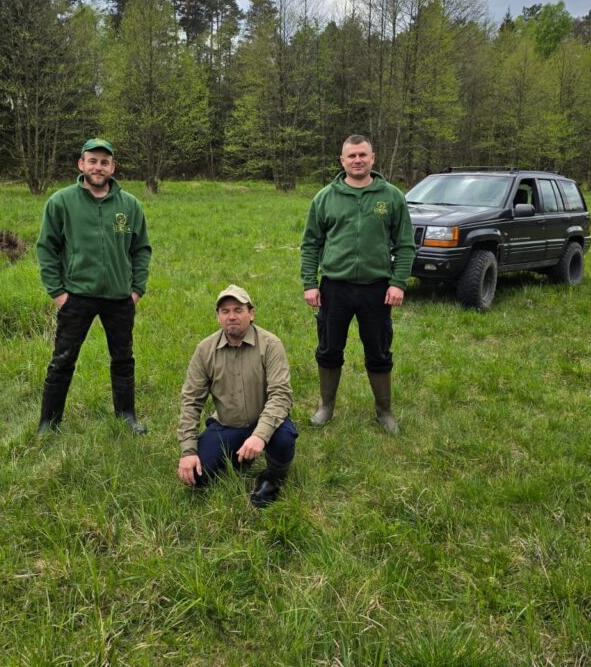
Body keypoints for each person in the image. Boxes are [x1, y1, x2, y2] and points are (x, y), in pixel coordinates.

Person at [300, 134, 416, 434]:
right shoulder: (325, 197)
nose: (357, 160)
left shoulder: (391, 197)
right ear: (342, 161)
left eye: (362, 155)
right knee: (328, 348)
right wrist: (310, 283)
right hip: (334, 288)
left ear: (373, 158)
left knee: (378, 350)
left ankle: (384, 410)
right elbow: (310, 243)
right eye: (351, 156)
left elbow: (405, 245)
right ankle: (326, 406)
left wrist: (398, 282)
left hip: (376, 289)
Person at [36, 137, 151, 435]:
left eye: (104, 162)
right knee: (62, 360)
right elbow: (47, 248)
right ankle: (49, 423)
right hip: (76, 296)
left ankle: (126, 416)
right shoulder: (61, 202)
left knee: (123, 359)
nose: (98, 167)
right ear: (81, 164)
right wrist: (58, 293)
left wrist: (137, 289)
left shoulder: (130, 205)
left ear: (112, 166)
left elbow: (141, 249)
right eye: (92, 161)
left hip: (119, 297)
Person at [177, 285, 297, 508]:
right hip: (227, 423)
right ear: (218, 317)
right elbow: (191, 401)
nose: (231, 316)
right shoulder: (205, 350)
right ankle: (238, 457)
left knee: (283, 439)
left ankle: (272, 476)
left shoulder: (271, 345)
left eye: (238, 310)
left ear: (251, 313)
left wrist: (260, 436)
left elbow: (281, 395)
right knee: (197, 477)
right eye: (225, 311)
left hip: (267, 423)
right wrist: (188, 451)